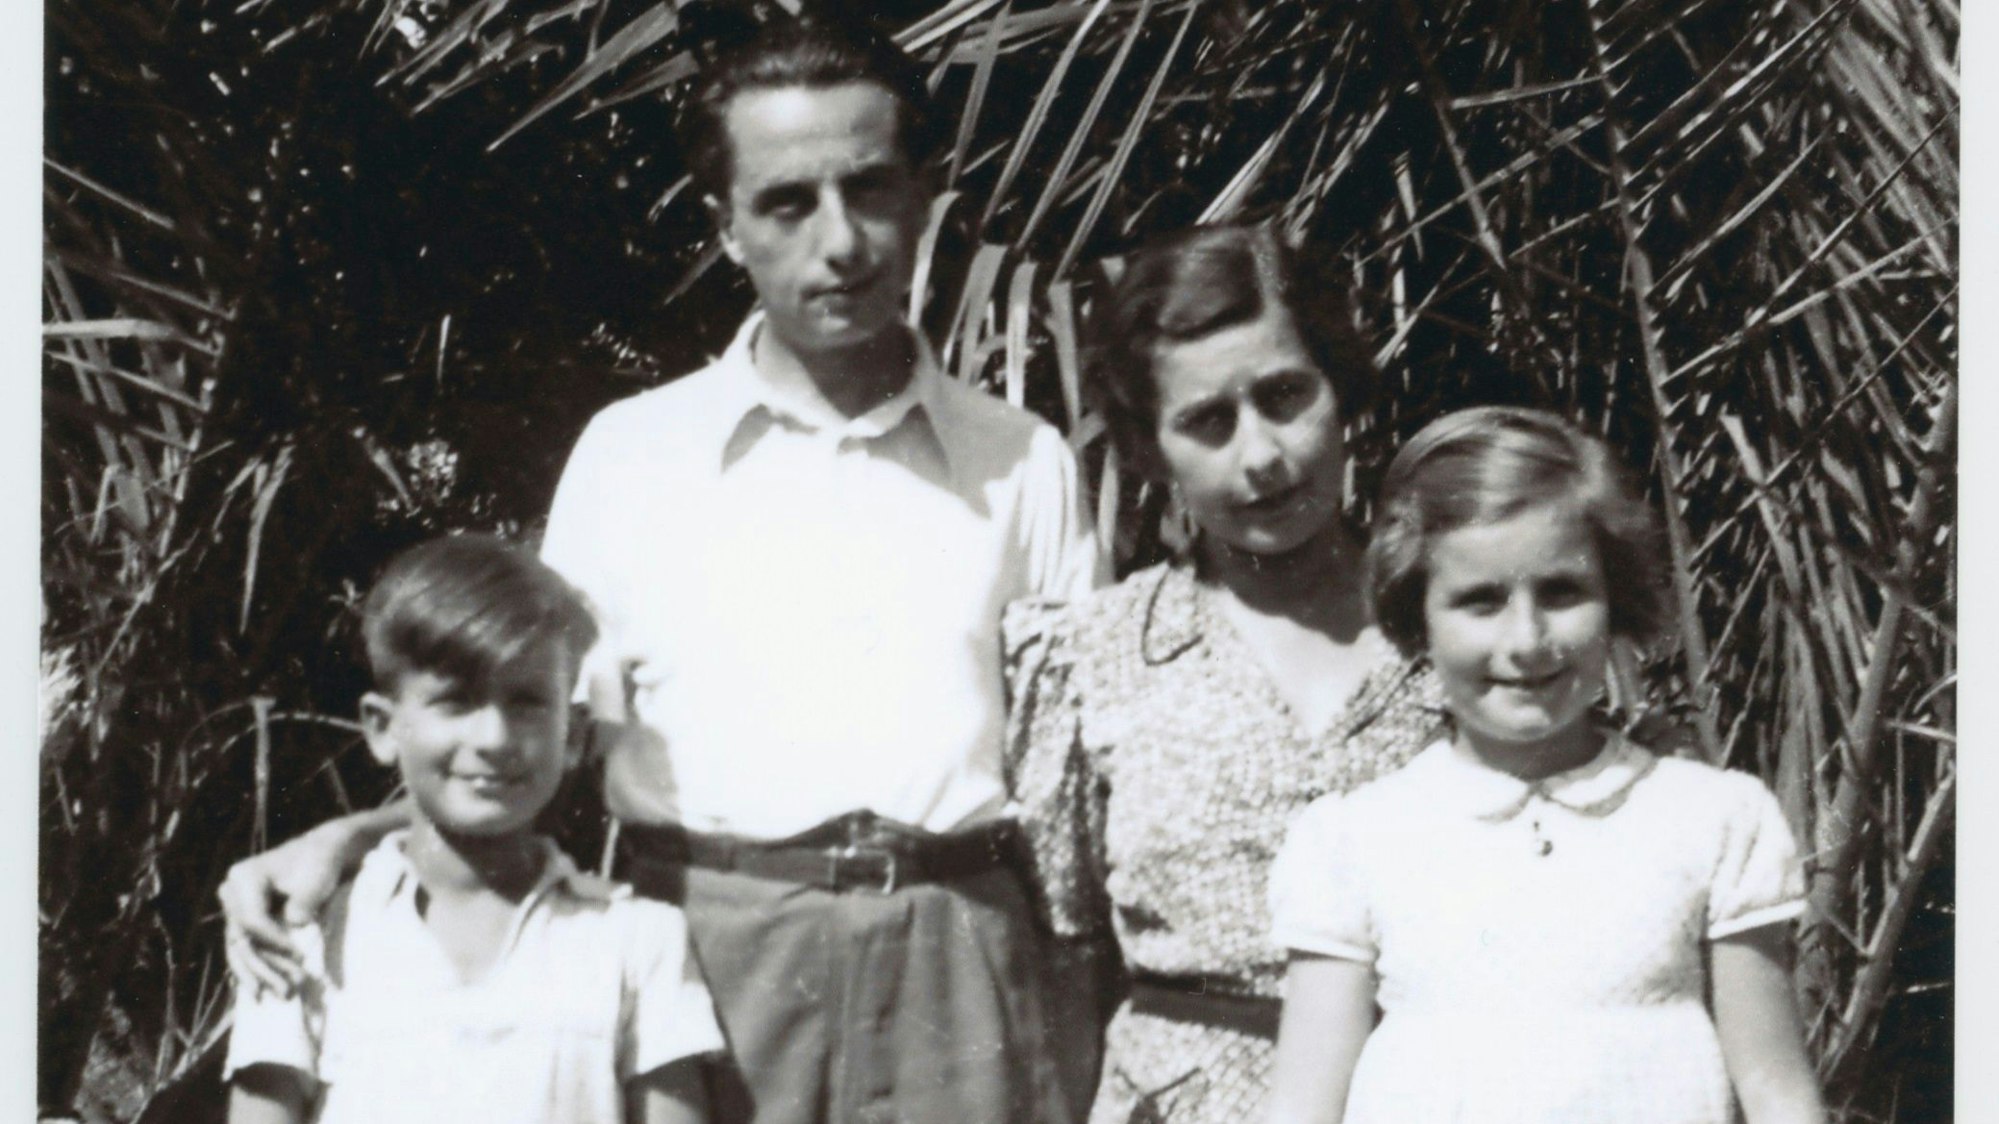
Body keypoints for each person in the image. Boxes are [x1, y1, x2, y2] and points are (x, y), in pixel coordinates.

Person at [219, 17, 1101, 1124]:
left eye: (870, 188)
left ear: (927, 194)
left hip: (959, 960)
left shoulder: (1022, 461)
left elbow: (1084, 780)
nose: (840, 241)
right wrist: (342, 837)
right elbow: (525, 728)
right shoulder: (633, 456)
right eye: (786, 202)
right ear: (725, 227)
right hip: (711, 952)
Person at [1264, 406, 1826, 1124]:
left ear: (1613, 599)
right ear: (1417, 618)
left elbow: (1777, 1093)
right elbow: (1301, 1108)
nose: (1526, 639)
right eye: (1480, 601)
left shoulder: (1713, 820)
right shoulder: (1356, 840)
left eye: (1561, 592)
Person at [1002, 223, 1445, 1124]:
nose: (1261, 456)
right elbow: (1062, 960)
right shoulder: (1097, 658)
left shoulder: (1458, 632)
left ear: (1341, 391)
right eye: (1207, 421)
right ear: (1150, 449)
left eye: (1285, 396)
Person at [225, 535, 722, 1124]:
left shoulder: (637, 941)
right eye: (456, 702)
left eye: (528, 702)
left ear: (575, 736)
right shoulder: (307, 935)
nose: (494, 739)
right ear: (383, 728)